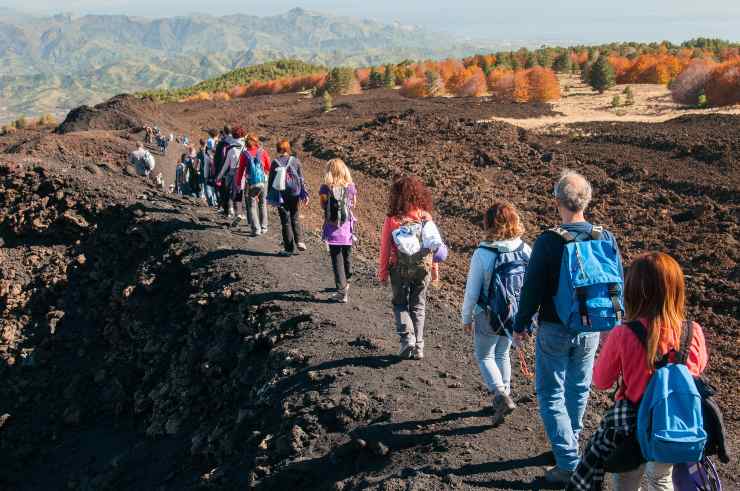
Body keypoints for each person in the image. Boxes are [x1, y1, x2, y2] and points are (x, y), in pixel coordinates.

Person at [512, 169, 624, 484]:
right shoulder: (606, 236)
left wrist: (521, 325)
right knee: (577, 388)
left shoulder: (549, 241)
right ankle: (567, 445)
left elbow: (531, 288)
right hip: (591, 325)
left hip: (554, 326)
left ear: (557, 201)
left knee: (550, 393)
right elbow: (617, 283)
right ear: (586, 201)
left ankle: (567, 462)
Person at [586, 252, 708, 491]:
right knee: (661, 478)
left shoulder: (623, 334)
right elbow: (696, 371)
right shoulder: (693, 331)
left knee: (626, 480)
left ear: (633, 290)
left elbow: (601, 381)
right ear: (676, 290)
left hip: (631, 423)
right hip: (673, 423)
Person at [461, 202, 531, 425]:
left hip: (487, 314)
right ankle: (506, 395)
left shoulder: (483, 253)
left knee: (484, 356)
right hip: (514, 315)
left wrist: (466, 317)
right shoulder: (525, 249)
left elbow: (472, 291)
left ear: (488, 224)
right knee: (502, 354)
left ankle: (501, 396)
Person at [378, 176, 446, 360]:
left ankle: (407, 339)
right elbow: (432, 245)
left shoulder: (393, 219)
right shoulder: (425, 217)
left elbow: (385, 248)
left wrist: (383, 273)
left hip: (399, 268)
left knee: (400, 304)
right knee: (418, 305)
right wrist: (434, 271)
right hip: (422, 267)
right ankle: (419, 347)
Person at [319, 159, 357, 303]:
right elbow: (353, 203)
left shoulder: (325, 187)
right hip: (347, 227)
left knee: (337, 258)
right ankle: (347, 281)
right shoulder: (351, 186)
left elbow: (323, 205)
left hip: (333, 227)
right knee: (347, 254)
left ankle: (341, 292)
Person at [267, 140, 308, 256]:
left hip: (281, 195)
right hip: (294, 193)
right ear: (288, 148)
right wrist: (304, 194)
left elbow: (271, 181)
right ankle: (299, 241)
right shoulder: (295, 161)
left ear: (278, 149)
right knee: (295, 217)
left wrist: (270, 196)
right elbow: (301, 178)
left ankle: (289, 249)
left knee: (285, 221)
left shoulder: (275, 162)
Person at [236, 133, 271, 235]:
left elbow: (241, 171)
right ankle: (264, 227)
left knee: (252, 205)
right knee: (263, 203)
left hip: (251, 183)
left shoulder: (245, 154)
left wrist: (238, 183)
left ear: (246, 143)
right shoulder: (263, 152)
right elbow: (269, 167)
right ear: (256, 142)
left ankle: (256, 229)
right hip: (263, 181)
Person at [215, 126, 246, 218]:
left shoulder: (230, 148)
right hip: (243, 172)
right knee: (240, 192)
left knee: (230, 191)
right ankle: (239, 212)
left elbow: (225, 165)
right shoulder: (245, 147)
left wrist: (219, 176)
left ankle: (230, 209)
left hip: (232, 171)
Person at [198, 139, 217, 207]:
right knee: (212, 187)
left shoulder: (203, 152)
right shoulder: (213, 152)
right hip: (213, 172)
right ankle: (214, 202)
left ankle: (211, 202)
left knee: (208, 187)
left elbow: (204, 163)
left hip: (206, 172)